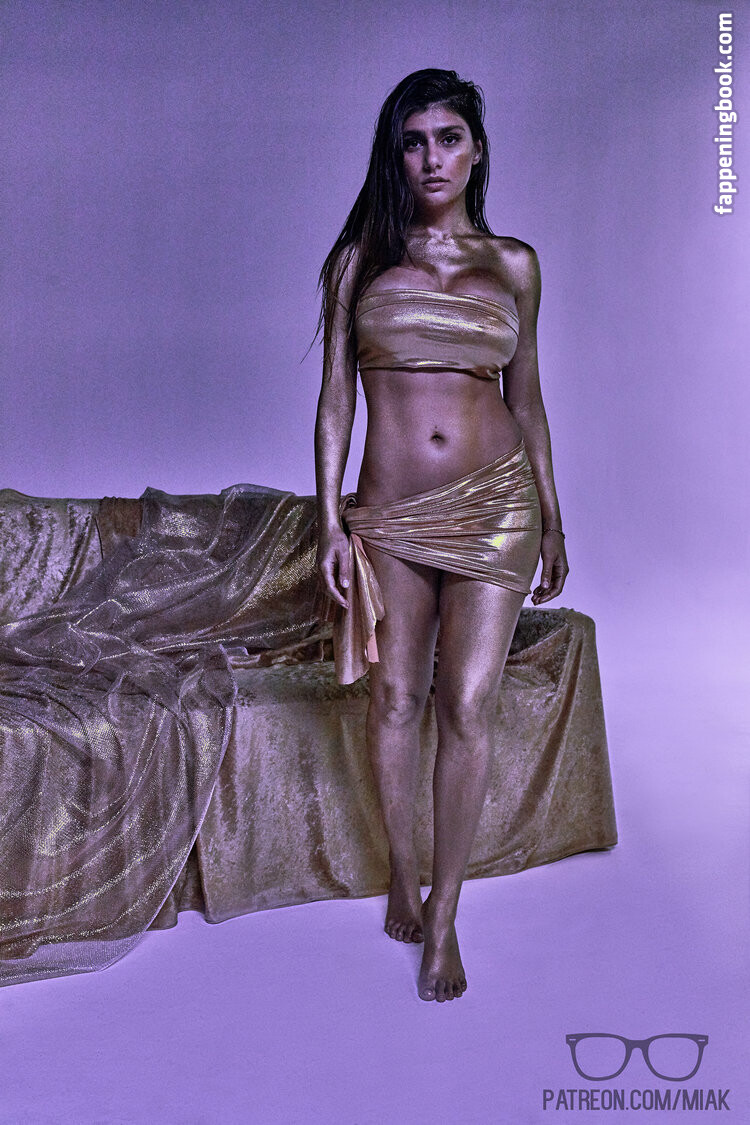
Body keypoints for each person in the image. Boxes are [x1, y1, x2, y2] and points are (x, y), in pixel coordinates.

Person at [313, 68, 568, 1003]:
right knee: (395, 698)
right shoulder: (359, 262)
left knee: (465, 703)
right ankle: (402, 868)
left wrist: (554, 514)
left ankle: (445, 915)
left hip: (498, 504)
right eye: (415, 141)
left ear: (476, 151)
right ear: (397, 155)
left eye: (449, 138)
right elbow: (336, 400)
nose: (432, 157)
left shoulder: (514, 266)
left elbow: (527, 399)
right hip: (390, 511)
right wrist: (328, 518)